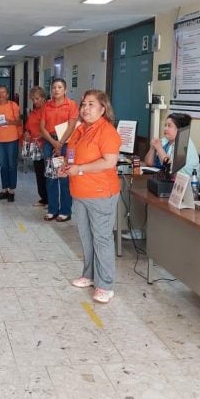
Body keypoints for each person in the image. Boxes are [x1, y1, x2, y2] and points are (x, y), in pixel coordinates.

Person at [62, 90, 122, 304]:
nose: (85, 108)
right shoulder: (80, 129)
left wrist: (79, 169)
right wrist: (66, 166)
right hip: (79, 192)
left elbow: (109, 161)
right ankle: (89, 275)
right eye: (83, 104)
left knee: (102, 238)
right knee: (86, 237)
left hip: (100, 194)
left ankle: (105, 285)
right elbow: (72, 154)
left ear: (103, 109)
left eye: (91, 104)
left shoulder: (106, 131)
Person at [39, 78, 79, 222]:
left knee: (64, 177)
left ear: (65, 90)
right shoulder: (46, 105)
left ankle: (65, 211)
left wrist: (60, 143)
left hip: (66, 143)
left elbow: (72, 126)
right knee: (51, 177)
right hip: (50, 142)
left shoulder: (71, 105)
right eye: (54, 87)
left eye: (60, 87)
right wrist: (54, 143)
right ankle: (52, 209)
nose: (56, 90)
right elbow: (42, 127)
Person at [0, 84, 21, 202]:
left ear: (7, 94)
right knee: (3, 165)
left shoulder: (13, 105)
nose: (1, 94)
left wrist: (9, 122)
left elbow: (19, 122)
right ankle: (4, 189)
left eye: (4, 92)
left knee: (12, 165)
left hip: (12, 139)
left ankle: (12, 191)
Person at [143, 112, 200, 176]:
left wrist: (159, 148)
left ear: (179, 129)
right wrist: (152, 147)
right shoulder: (166, 140)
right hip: (169, 178)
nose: (165, 129)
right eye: (165, 125)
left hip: (187, 180)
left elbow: (171, 169)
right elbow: (149, 163)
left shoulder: (184, 144)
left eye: (169, 126)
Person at [25, 86, 48, 207]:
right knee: (39, 172)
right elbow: (28, 126)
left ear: (43, 98)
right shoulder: (33, 112)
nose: (35, 101)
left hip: (46, 145)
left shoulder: (48, 110)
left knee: (48, 173)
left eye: (37, 99)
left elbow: (51, 128)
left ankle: (51, 200)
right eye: (33, 99)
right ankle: (43, 198)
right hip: (35, 145)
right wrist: (27, 132)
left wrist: (42, 135)